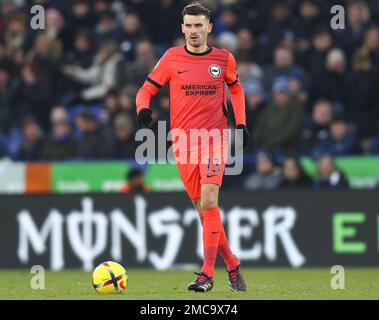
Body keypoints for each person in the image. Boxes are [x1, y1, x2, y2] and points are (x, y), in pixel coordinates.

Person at [135, 2, 248, 293]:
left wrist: (241, 122)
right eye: (190, 25)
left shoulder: (223, 59)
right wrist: (142, 109)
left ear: (209, 27)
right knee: (204, 213)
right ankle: (233, 264)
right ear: (182, 28)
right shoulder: (171, 58)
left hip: (214, 140)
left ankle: (206, 274)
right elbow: (146, 89)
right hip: (184, 144)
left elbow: (235, 87)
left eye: (200, 25)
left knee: (210, 202)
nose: (194, 31)